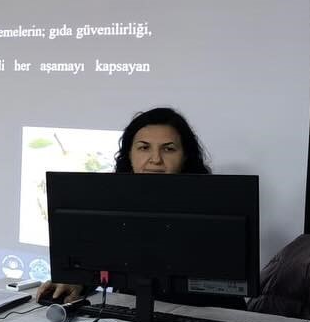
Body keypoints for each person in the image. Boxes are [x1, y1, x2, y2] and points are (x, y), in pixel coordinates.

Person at [36, 107, 210, 304]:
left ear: (185, 156)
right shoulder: (108, 205)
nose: (156, 159)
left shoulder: (211, 206)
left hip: (209, 316)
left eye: (168, 149)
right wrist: (77, 281)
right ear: (129, 154)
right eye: (144, 148)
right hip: (129, 312)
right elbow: (95, 263)